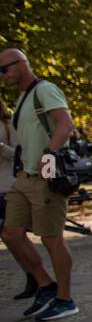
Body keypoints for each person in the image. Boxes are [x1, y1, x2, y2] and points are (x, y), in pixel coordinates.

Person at [0, 49, 78, 320]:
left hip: (46, 175)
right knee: (10, 233)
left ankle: (65, 299)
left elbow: (65, 124)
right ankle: (45, 285)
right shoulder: (22, 98)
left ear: (21, 64)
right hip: (24, 177)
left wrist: (50, 157)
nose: (3, 75)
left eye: (5, 69)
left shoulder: (45, 90)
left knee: (51, 238)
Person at [1, 95, 37, 299]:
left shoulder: (8, 124)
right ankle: (32, 274)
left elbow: (18, 153)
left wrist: (1, 147)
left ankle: (37, 276)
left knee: (13, 233)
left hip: (7, 186)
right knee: (8, 236)